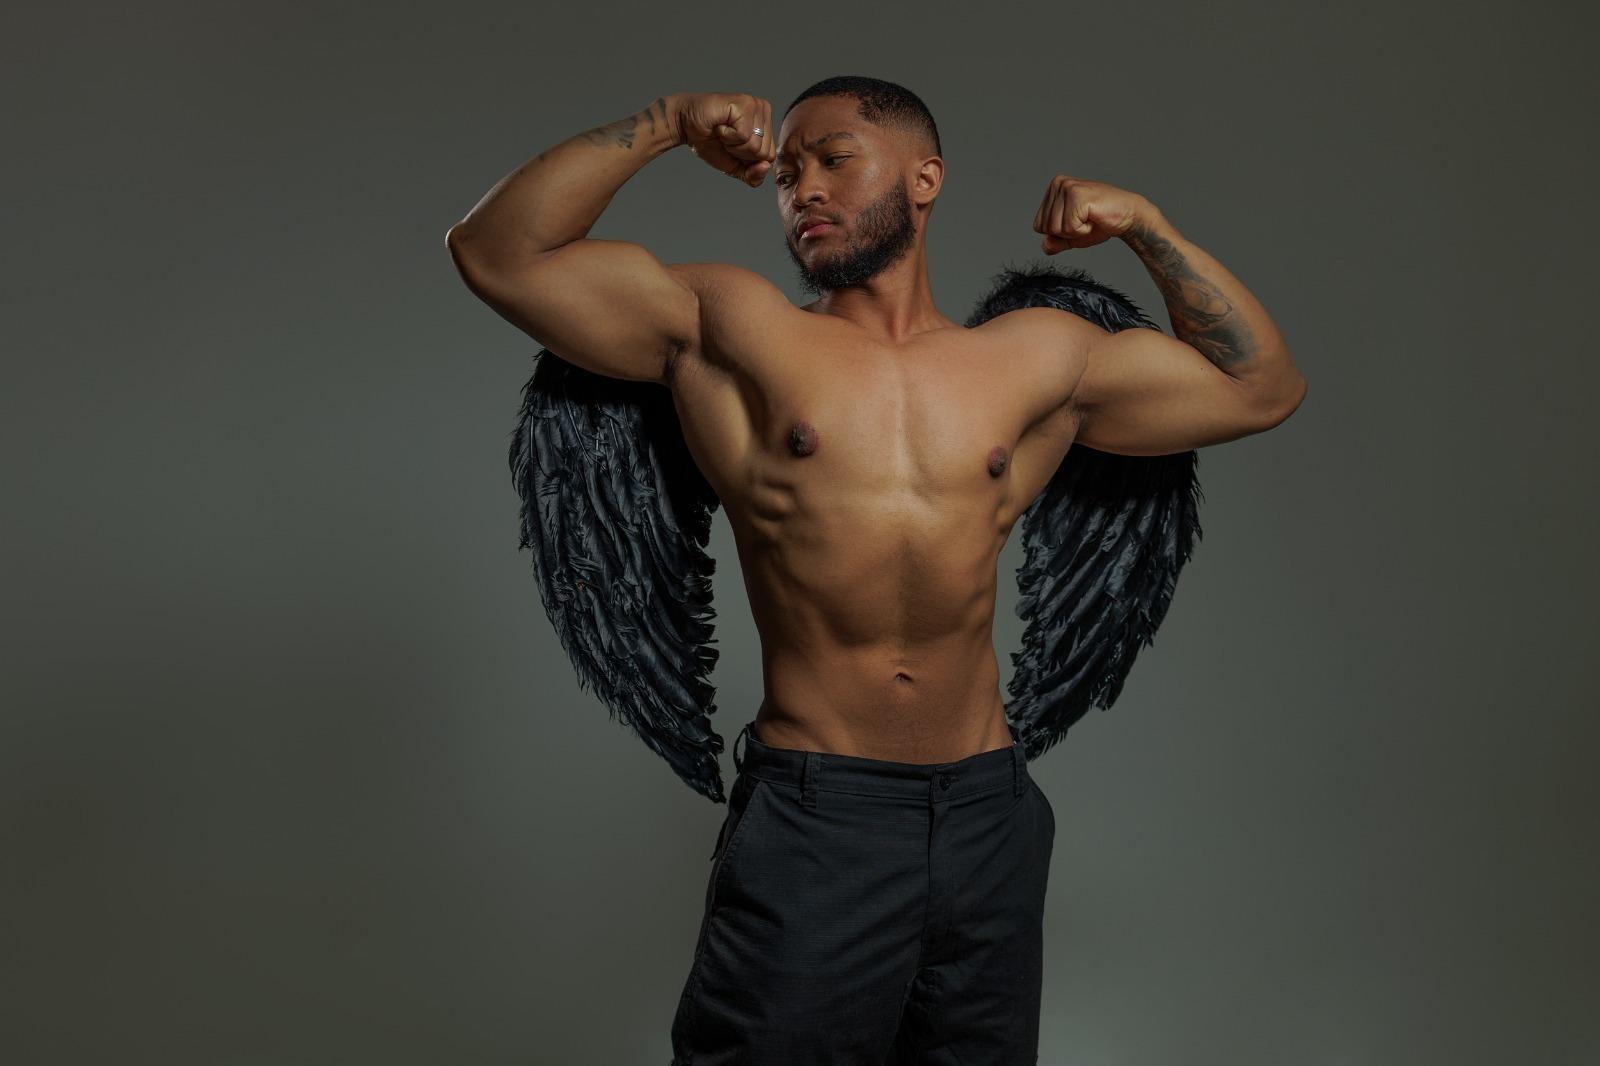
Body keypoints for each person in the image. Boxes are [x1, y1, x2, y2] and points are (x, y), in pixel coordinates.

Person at [446, 76, 1306, 1064]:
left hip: (988, 817)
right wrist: (669, 124)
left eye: (833, 159)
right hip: (820, 819)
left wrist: (1147, 229)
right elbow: (497, 252)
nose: (802, 189)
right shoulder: (734, 327)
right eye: (786, 172)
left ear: (924, 179)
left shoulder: (1036, 359)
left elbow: (1261, 387)